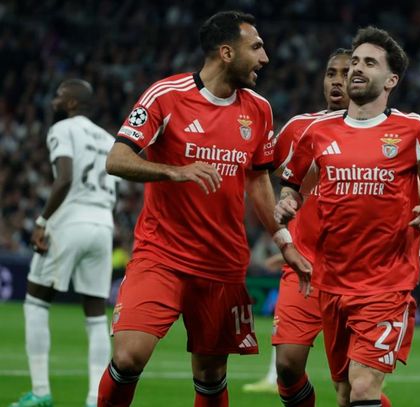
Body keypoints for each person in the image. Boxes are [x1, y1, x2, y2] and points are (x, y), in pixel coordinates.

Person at [97, 11, 310, 406]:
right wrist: (174, 171)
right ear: (226, 52)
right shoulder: (166, 95)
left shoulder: (259, 109)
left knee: (211, 374)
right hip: (162, 255)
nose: (264, 58)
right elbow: (117, 159)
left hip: (222, 262)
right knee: (127, 357)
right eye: (256, 47)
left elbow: (258, 182)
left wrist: (285, 242)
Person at [275, 27, 420, 407]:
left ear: (391, 80)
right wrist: (286, 202)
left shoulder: (413, 130)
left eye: (369, 63)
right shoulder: (317, 132)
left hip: (386, 282)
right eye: (355, 61)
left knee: (363, 386)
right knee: (344, 393)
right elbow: (291, 185)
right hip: (331, 281)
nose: (356, 68)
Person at [243, 48, 352, 400]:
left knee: (350, 386)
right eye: (331, 73)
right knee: (288, 366)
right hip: (304, 266)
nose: (337, 81)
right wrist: (285, 232)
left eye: (346, 73)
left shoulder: (386, 133)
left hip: (355, 274)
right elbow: (261, 172)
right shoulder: (298, 128)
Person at [10, 79, 118, 407]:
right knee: (95, 315)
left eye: (60, 96)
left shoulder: (63, 129)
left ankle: (41, 392)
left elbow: (66, 178)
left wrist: (42, 222)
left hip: (71, 220)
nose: (54, 100)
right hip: (103, 224)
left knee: (36, 303)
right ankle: (94, 398)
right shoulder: (108, 139)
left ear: (72, 103)